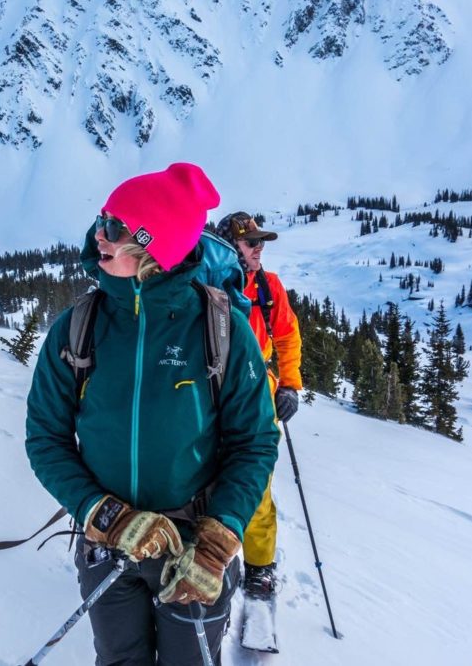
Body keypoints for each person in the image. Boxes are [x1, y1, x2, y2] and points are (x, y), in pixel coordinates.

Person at [25, 163, 280, 665]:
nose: (100, 236)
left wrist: (221, 534)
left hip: (193, 549)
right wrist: (103, 514)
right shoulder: (78, 327)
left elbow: (255, 443)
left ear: (153, 248)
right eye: (102, 220)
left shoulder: (221, 330)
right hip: (107, 547)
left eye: (116, 228)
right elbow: (44, 438)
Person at [214, 211, 303, 601]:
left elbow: (287, 337)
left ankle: (260, 567)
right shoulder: (209, 281)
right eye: (252, 242)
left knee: (255, 483)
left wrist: (291, 385)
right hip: (208, 392)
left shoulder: (269, 287)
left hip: (256, 393)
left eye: (260, 242)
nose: (259, 248)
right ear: (231, 247)